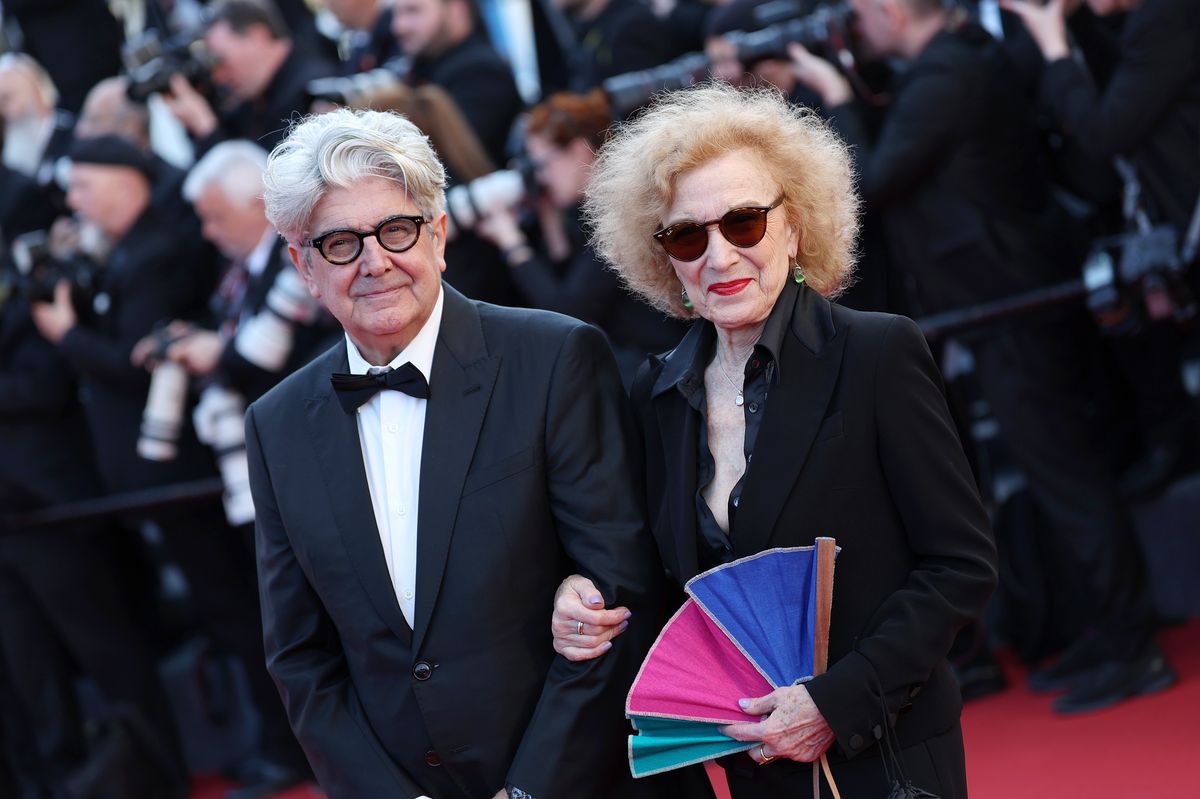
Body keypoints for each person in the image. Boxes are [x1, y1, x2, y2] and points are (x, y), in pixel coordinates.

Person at [554, 83, 998, 798]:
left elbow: (960, 563)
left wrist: (835, 701)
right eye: (688, 236)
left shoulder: (876, 354)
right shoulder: (659, 394)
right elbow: (661, 580)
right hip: (753, 762)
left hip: (885, 752)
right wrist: (581, 595)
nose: (720, 256)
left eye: (745, 223)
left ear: (795, 227)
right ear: (663, 256)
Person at [247, 107, 663, 798]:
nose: (375, 261)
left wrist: (530, 789)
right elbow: (300, 661)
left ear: (438, 235)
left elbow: (616, 591)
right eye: (342, 244)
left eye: (396, 230)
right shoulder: (276, 424)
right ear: (304, 266)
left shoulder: (553, 357)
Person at [789, 0, 1177, 713]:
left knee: (1065, 472)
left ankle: (1132, 644)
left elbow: (868, 182)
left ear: (891, 11)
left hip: (1010, 301)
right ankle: (1106, 629)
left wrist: (839, 97)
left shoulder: (946, 77)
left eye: (860, 16)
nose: (856, 30)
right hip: (1001, 297)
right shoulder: (952, 61)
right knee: (1049, 470)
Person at [473, 89, 686, 383]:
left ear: (580, 151)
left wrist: (512, 243)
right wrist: (548, 219)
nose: (541, 177)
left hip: (660, 366)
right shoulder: (583, 210)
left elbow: (568, 310)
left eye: (543, 164)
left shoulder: (622, 208)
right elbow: (566, 281)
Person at [162, 0, 337, 154]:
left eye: (221, 60)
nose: (218, 77)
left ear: (257, 35)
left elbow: (264, 181)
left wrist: (205, 126)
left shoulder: (313, 88)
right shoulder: (255, 95)